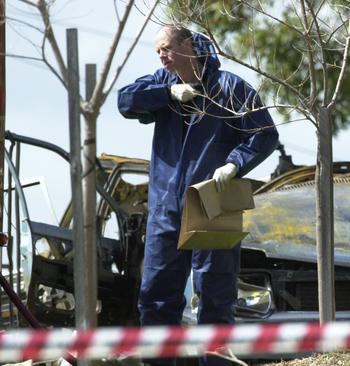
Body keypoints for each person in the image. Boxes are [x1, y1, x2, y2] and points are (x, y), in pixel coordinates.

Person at [117, 26, 278, 366]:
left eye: (166, 48)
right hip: (165, 207)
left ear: (188, 45)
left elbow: (264, 134)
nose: (161, 55)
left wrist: (235, 165)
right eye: (157, 50)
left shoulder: (230, 88)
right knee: (156, 294)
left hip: (213, 203)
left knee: (215, 293)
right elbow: (125, 101)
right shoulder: (162, 82)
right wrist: (169, 94)